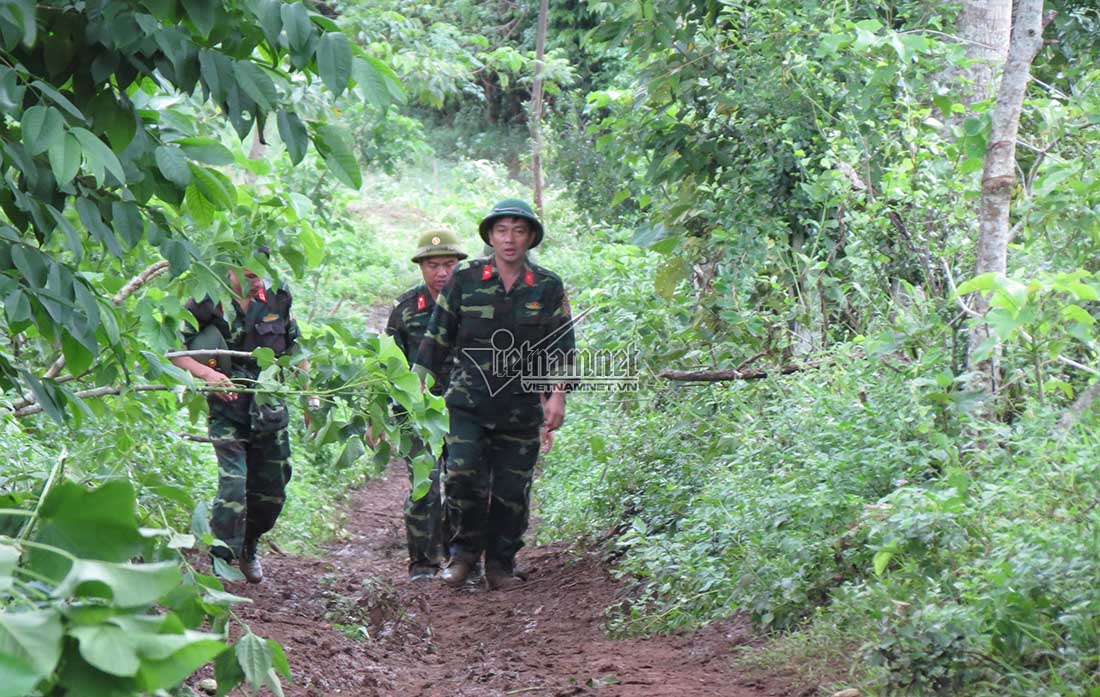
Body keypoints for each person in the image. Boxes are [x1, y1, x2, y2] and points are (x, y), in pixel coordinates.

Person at [414, 199, 575, 590]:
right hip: (467, 403)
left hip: (520, 408)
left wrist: (557, 395)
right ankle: (463, 557)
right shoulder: (465, 280)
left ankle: (502, 564)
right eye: (502, 230)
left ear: (531, 237)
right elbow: (437, 336)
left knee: (511, 490)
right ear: (489, 236)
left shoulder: (548, 286)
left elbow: (563, 347)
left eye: (519, 231)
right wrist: (416, 389)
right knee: (462, 477)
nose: (510, 239)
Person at [171, 250, 309, 584]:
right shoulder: (207, 299)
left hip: (269, 409)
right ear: (232, 270)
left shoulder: (278, 296)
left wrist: (308, 396)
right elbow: (175, 352)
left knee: (272, 492)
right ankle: (222, 561)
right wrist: (208, 375)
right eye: (249, 276)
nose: (257, 282)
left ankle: (249, 545)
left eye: (261, 275)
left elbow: (297, 350)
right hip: (226, 409)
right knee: (232, 485)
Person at [384, 229, 468, 581]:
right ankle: (423, 563)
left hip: (465, 411)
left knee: (464, 484)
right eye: (433, 265)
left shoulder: (473, 306)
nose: (442, 272)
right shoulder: (405, 310)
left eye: (449, 264)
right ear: (421, 267)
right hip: (419, 413)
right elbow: (388, 365)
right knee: (424, 487)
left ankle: (460, 558)